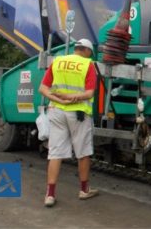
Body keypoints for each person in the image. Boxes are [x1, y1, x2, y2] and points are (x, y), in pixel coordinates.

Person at [38, 38, 99, 207]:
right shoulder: (88, 65)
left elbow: (42, 88)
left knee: (55, 152)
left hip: (56, 112)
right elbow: (89, 93)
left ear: (75, 49)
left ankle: (50, 195)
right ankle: (84, 190)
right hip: (78, 113)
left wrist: (59, 99)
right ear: (87, 51)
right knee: (83, 152)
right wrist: (71, 98)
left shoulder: (58, 62)